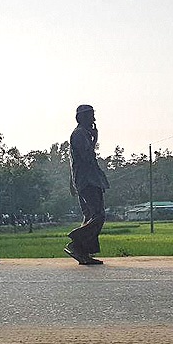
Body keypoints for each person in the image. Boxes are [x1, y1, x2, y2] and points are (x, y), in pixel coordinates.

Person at [66, 104, 109, 265]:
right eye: (91, 116)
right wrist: (95, 139)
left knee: (90, 215)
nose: (94, 119)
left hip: (87, 179)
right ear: (83, 118)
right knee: (98, 215)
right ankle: (76, 242)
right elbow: (86, 156)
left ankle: (83, 252)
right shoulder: (79, 135)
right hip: (88, 180)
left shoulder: (82, 134)